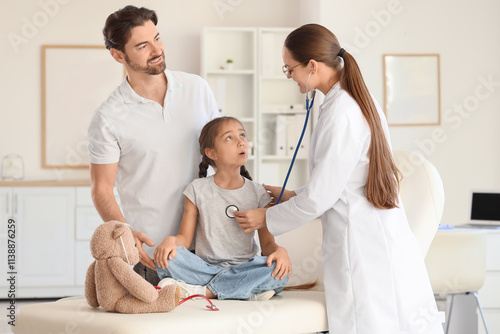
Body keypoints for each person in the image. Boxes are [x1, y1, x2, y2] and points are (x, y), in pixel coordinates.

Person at [234, 24, 444, 334]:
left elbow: (322, 197)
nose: (288, 75)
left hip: (360, 244)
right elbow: (344, 181)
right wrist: (293, 194)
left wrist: (265, 217)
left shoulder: (340, 113)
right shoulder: (354, 101)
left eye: (289, 68)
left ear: (312, 66)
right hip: (380, 238)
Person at [87, 5, 219, 285]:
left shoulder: (197, 89)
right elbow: (101, 190)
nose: (157, 49)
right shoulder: (109, 117)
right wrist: (126, 235)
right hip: (150, 254)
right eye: (143, 45)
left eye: (157, 38)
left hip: (209, 246)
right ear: (118, 55)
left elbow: (222, 157)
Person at [154, 117, 291, 301]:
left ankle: (203, 292)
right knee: (168, 258)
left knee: (278, 270)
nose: (241, 141)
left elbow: (267, 246)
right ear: (211, 153)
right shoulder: (196, 189)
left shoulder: (258, 193)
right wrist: (171, 241)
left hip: (245, 267)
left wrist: (279, 251)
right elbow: (184, 240)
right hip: (204, 267)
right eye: (229, 138)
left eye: (242, 135)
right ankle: (243, 290)